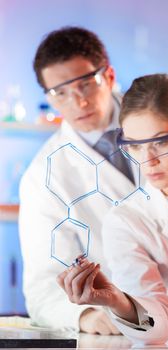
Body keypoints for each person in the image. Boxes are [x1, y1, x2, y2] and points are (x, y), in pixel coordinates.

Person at [57, 74, 168, 346]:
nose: (147, 161)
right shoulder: (128, 221)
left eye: (161, 142)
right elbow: (156, 327)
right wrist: (118, 301)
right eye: (134, 146)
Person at [19, 26, 135, 335]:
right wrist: (88, 317)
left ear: (108, 76)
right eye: (60, 93)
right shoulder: (43, 175)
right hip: (128, 324)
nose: (78, 102)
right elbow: (43, 289)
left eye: (86, 84)